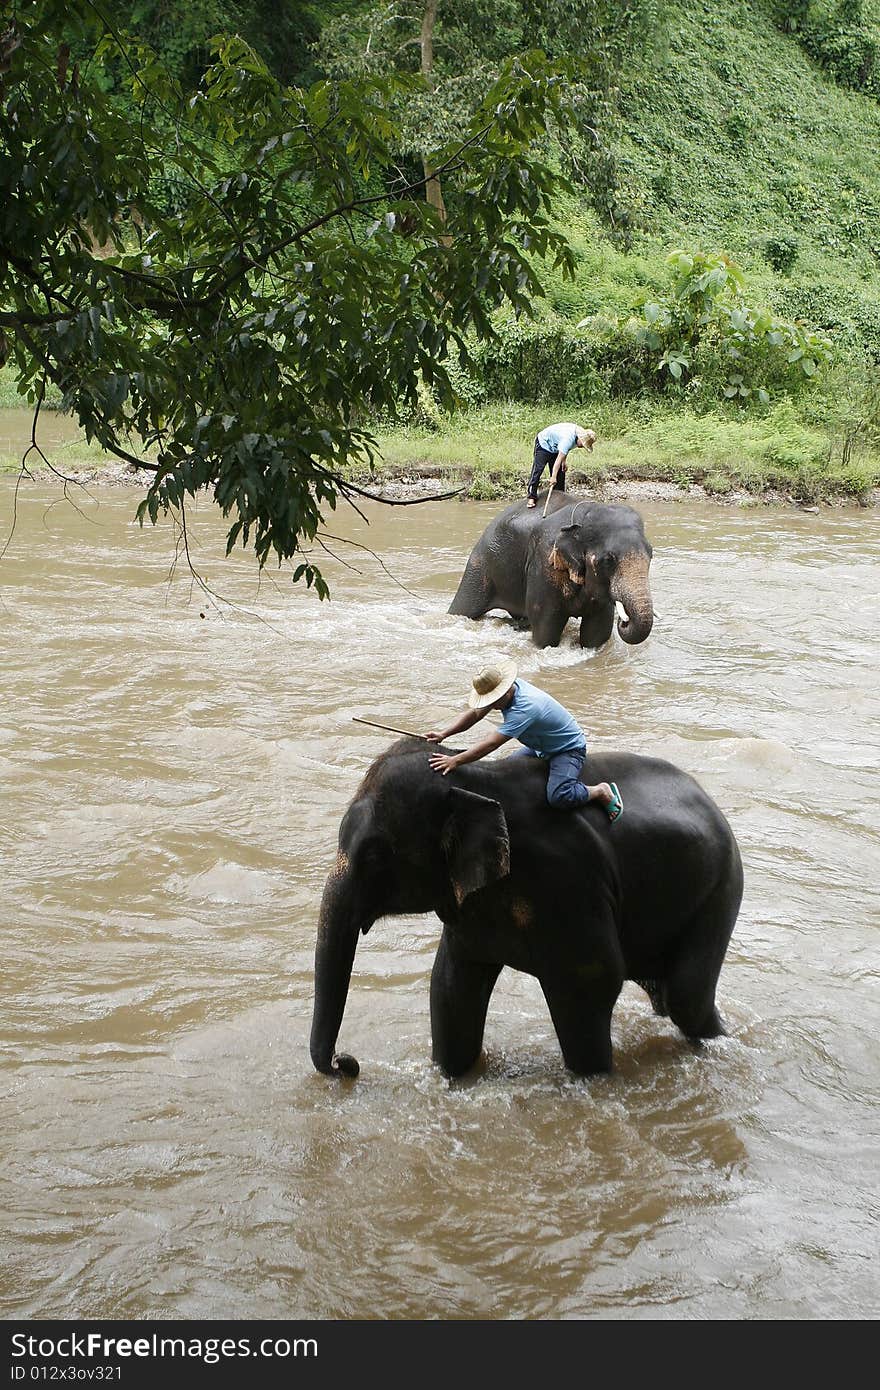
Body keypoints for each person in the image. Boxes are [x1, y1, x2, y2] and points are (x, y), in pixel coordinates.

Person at [425, 659, 622, 818]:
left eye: (493, 702)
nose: (491, 707)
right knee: (506, 771)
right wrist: (444, 734)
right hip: (539, 747)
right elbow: (475, 714)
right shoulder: (503, 693)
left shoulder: (525, 708)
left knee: (559, 796)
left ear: (505, 689)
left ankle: (599, 791)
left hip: (566, 749)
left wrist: (455, 760)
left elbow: (492, 743)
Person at [526, 423, 596, 508]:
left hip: (556, 448)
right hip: (544, 444)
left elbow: (565, 450)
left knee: (561, 472)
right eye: (583, 444)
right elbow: (559, 457)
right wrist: (553, 477)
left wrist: (564, 462)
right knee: (538, 470)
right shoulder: (569, 439)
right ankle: (531, 496)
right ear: (580, 438)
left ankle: (558, 496)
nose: (582, 446)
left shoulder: (578, 436)